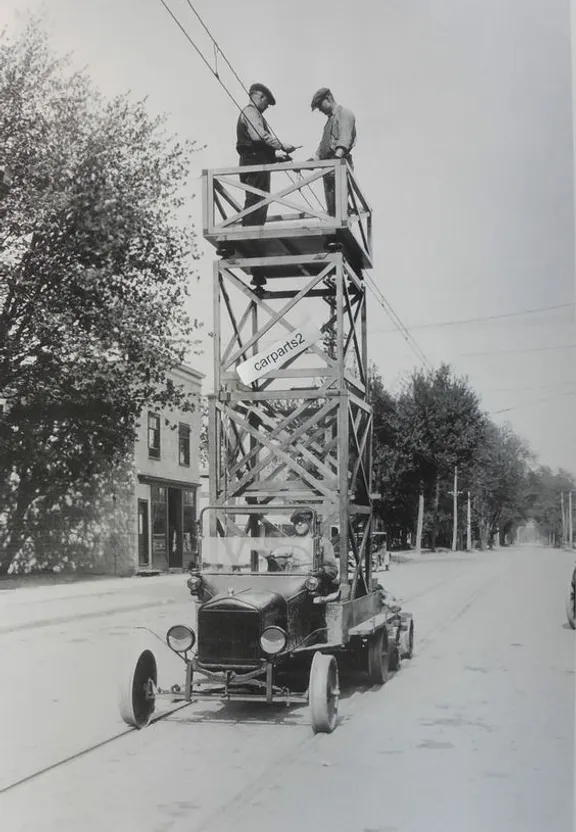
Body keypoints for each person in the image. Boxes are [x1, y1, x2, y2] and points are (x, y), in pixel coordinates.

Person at [236, 83, 295, 287]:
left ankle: (255, 261)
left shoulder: (255, 114)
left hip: (258, 164)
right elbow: (258, 136)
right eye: (267, 102)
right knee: (255, 205)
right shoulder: (251, 113)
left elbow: (260, 144)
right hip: (253, 165)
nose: (267, 107)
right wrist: (282, 145)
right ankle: (248, 242)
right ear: (259, 97)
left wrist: (276, 158)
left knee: (258, 207)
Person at [309, 87, 356, 217]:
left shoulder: (344, 114)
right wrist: (313, 160)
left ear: (328, 98)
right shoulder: (329, 121)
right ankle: (334, 233)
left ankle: (340, 232)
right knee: (332, 208)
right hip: (329, 167)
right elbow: (323, 145)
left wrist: (336, 159)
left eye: (319, 106)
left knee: (340, 207)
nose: (320, 110)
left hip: (338, 164)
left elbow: (345, 139)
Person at [265, 509, 339, 584]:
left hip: (312, 585)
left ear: (310, 522)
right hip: (289, 583)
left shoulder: (322, 542)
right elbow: (277, 563)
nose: (299, 524)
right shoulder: (288, 542)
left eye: (303, 521)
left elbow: (332, 569)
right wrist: (272, 559)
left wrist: (321, 571)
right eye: (296, 521)